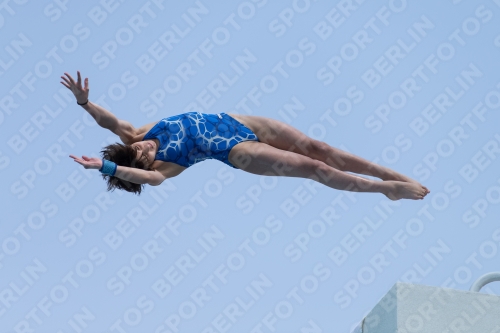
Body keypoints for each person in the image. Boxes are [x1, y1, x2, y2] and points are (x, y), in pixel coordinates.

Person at [62, 72, 430, 200]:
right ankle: (386, 190)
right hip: (239, 150)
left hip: (240, 121)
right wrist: (107, 167)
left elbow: (110, 123)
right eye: (142, 155)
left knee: (321, 147)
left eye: (136, 149)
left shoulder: (139, 133)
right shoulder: (163, 168)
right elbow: (144, 176)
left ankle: (387, 173)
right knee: (313, 167)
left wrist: (85, 103)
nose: (143, 148)